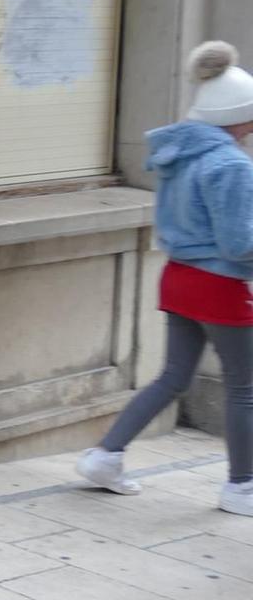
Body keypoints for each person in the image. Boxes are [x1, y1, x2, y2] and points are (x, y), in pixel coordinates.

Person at [78, 40, 253, 513]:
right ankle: (242, 486)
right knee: (244, 386)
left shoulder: (180, 155)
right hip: (220, 285)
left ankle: (105, 457)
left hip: (176, 275)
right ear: (239, 117)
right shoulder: (233, 165)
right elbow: (240, 243)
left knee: (173, 376)